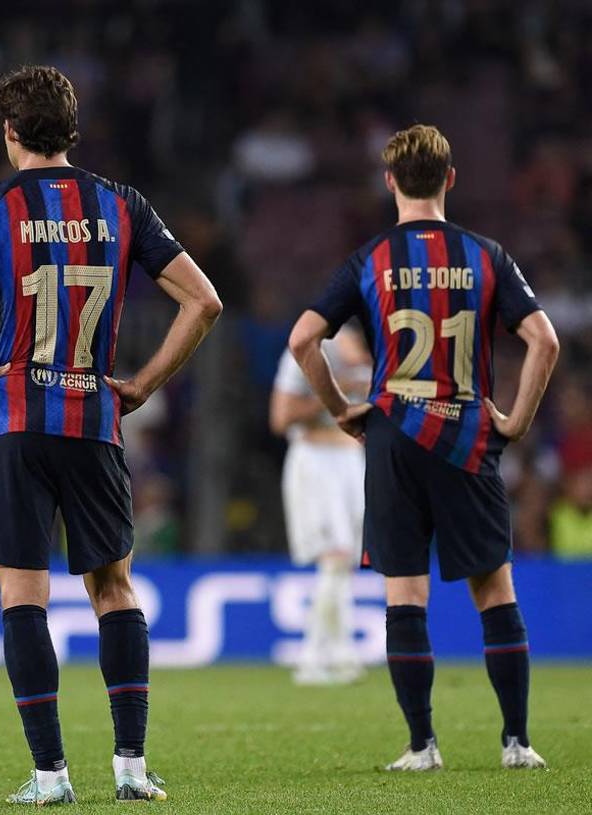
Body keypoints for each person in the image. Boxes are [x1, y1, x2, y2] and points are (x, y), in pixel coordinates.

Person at [0, 65, 222, 805]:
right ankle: (130, 768)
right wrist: (144, 382)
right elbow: (204, 301)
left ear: (10, 132)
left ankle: (51, 776)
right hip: (94, 418)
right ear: (73, 132)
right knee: (113, 589)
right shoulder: (122, 205)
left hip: (17, 419)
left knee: (24, 594)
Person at [288, 125, 559, 771]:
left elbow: (303, 339)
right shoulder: (487, 254)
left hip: (394, 435)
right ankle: (516, 742)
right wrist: (517, 419)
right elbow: (544, 340)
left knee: (404, 595)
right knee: (495, 591)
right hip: (467, 434)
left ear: (390, 183)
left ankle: (422, 745)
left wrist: (340, 410)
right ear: (451, 179)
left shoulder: (369, 257)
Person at [270, 327, 370, 685]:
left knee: (344, 563)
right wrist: (337, 393)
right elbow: (281, 417)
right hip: (315, 458)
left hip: (352, 461)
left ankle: (341, 654)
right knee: (336, 555)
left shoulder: (383, 350)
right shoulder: (308, 352)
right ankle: (311, 656)